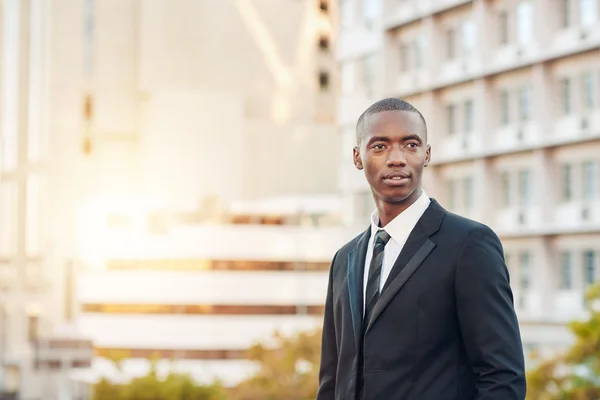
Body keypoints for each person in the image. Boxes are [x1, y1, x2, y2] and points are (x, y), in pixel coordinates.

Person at [316, 98, 526, 400]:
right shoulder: (345, 259)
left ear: (426, 154)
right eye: (379, 146)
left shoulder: (469, 245)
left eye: (410, 145)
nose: (397, 158)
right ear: (357, 157)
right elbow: (332, 379)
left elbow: (502, 377)